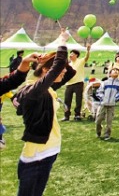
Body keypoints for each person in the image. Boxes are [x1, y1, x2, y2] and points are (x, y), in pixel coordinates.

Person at [12, 30, 76, 196]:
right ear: (46, 71)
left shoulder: (45, 89)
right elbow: (57, 70)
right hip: (36, 156)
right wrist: (62, 42)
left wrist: (54, 57)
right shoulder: (33, 91)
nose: (63, 72)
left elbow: (69, 72)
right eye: (58, 69)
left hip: (49, 152)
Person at [63, 45, 91, 121]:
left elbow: (86, 57)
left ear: (76, 55)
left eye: (72, 54)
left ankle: (77, 115)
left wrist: (88, 50)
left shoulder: (81, 61)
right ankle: (66, 116)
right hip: (69, 84)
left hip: (78, 83)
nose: (71, 55)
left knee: (78, 100)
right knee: (67, 100)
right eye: (70, 53)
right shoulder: (68, 64)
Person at [95, 68, 119, 140]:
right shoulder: (105, 82)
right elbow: (99, 92)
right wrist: (103, 98)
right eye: (114, 71)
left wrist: (114, 99)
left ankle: (107, 135)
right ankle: (98, 131)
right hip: (103, 104)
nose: (116, 72)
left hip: (112, 105)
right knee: (98, 120)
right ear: (110, 73)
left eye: (117, 71)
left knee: (109, 121)